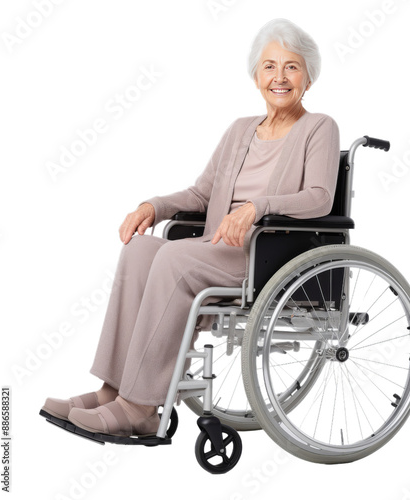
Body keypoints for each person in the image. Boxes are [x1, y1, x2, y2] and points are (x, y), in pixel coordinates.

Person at [41, 18, 340, 438]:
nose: (280, 77)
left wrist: (257, 207)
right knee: (141, 249)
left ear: (308, 77)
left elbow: (319, 197)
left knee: (175, 258)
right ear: (256, 75)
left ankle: (142, 407)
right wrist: (154, 205)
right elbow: (202, 194)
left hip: (264, 256)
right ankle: (113, 390)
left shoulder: (319, 127)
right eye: (270, 66)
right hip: (213, 247)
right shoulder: (240, 130)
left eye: (291, 67)